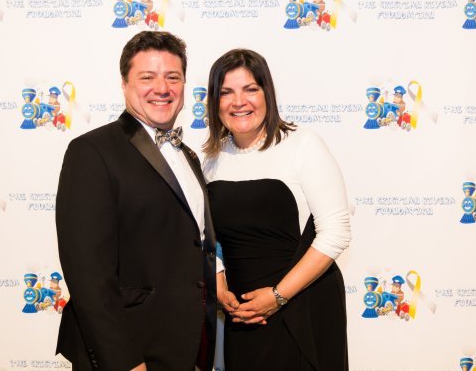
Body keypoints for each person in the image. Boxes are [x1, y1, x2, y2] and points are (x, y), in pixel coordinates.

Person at [55, 31, 216, 371]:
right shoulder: (92, 152)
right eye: (147, 77)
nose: (162, 88)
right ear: (124, 84)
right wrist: (125, 362)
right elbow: (88, 275)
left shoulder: (189, 156)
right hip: (130, 353)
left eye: (173, 77)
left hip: (185, 349)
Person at [203, 49, 351, 370]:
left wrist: (278, 296)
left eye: (250, 89)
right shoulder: (211, 159)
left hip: (302, 304)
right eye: (226, 92)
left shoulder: (303, 145)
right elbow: (206, 236)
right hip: (243, 313)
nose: (238, 101)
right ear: (214, 101)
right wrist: (219, 283)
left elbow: (336, 232)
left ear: (267, 93)